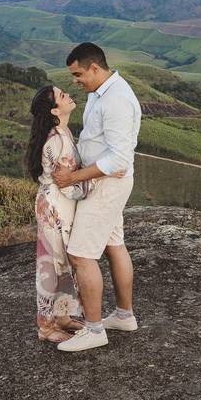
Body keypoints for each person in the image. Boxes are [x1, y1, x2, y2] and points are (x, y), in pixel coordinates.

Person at [52, 42, 142, 352]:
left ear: (94, 67)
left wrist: (72, 177)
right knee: (114, 245)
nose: (75, 81)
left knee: (81, 254)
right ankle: (124, 316)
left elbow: (118, 158)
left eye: (78, 74)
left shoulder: (115, 100)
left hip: (104, 186)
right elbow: (105, 145)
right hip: (103, 181)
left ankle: (93, 330)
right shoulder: (100, 93)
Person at [25, 84, 95, 342]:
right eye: (62, 95)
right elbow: (68, 185)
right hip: (56, 207)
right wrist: (97, 181)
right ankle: (46, 326)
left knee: (61, 264)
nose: (68, 95)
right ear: (55, 109)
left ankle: (63, 317)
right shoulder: (58, 139)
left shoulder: (60, 132)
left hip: (54, 205)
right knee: (52, 267)